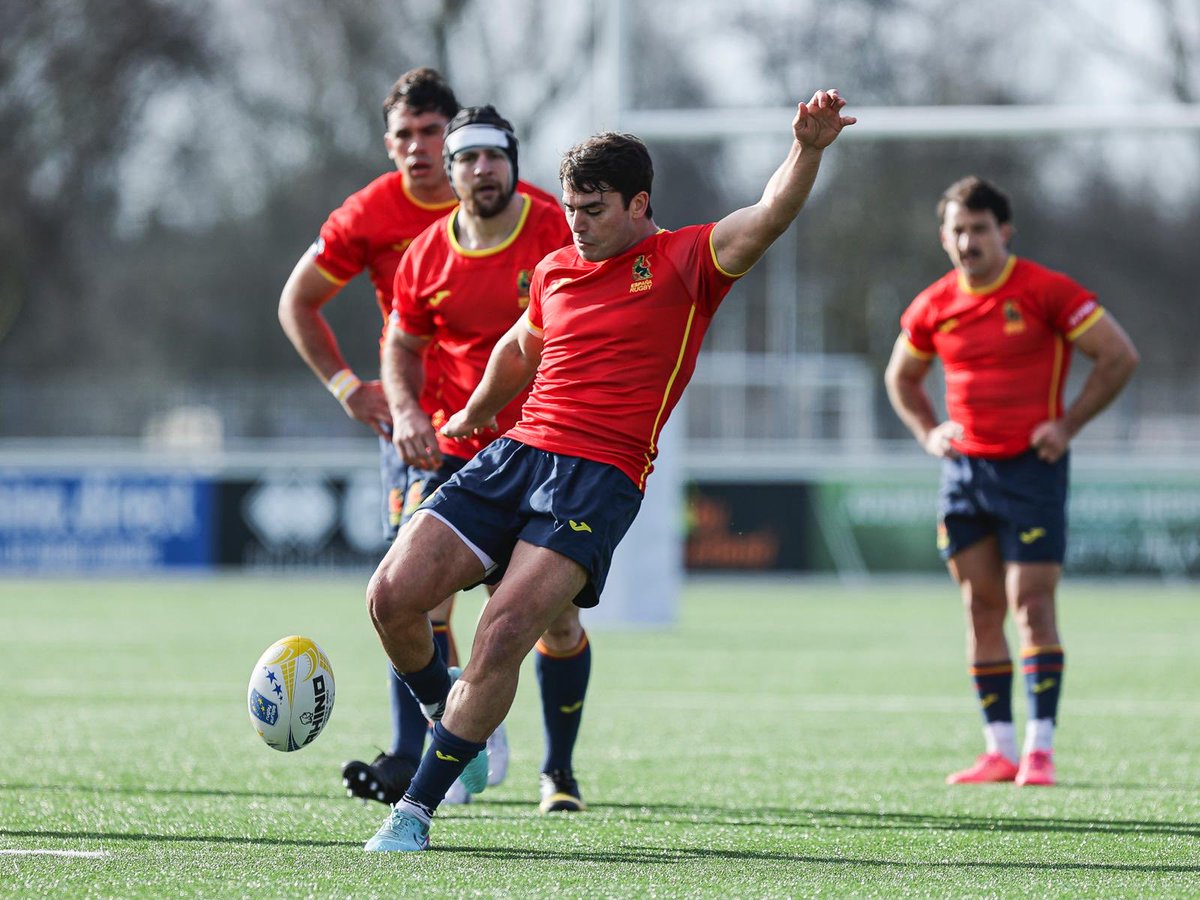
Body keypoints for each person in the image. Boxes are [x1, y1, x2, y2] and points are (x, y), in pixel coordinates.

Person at [361, 88, 856, 852]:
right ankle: (451, 719)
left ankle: (415, 811)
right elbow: (519, 349)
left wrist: (809, 149)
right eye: (569, 209)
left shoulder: (687, 260)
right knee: (390, 597)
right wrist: (472, 414)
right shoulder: (556, 269)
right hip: (516, 453)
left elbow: (768, 214)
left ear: (638, 204)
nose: (576, 224)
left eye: (592, 210)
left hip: (598, 478)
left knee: (501, 636)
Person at [277, 68, 554, 806]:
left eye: (435, 133)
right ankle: (427, 745)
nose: (420, 148)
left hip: (530, 433)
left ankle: (512, 746)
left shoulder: (537, 215)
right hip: (424, 432)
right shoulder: (369, 214)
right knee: (414, 595)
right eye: (405, 135)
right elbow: (298, 302)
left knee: (531, 607)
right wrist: (350, 388)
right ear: (388, 143)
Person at [883, 175, 1139, 787]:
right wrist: (929, 433)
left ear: (1004, 231)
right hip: (965, 473)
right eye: (956, 231)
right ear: (943, 237)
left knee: (1031, 604)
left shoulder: (1046, 291)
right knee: (981, 606)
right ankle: (997, 749)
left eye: (978, 229)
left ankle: (1039, 750)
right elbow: (902, 378)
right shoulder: (933, 304)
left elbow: (1118, 355)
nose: (967, 242)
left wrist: (1068, 424)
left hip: (1032, 470)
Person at [382, 104, 593, 811]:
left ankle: (557, 771)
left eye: (494, 155)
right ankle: (460, 731)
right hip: (460, 454)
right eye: (467, 158)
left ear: (513, 161)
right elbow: (400, 346)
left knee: (556, 623)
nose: (482, 169)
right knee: (415, 600)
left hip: (547, 454)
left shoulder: (556, 227)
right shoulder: (425, 256)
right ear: (451, 171)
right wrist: (407, 411)